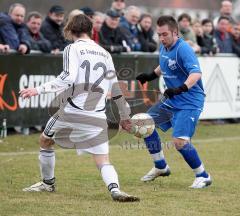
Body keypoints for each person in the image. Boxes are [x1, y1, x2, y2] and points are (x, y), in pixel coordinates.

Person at [20, 14, 139, 202]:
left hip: (71, 111)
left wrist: (38, 89)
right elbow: (116, 88)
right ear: (90, 30)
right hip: (97, 115)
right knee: (102, 159)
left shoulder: (72, 48)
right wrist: (124, 115)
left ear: (69, 30)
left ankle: (48, 183)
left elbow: (67, 77)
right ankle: (115, 189)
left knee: (45, 140)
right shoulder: (104, 53)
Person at [136, 15, 212, 189]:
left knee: (179, 142)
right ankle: (160, 166)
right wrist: (151, 75)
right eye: (159, 35)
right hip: (173, 100)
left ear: (175, 32)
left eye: (165, 35)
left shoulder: (183, 49)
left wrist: (180, 88)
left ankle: (203, 175)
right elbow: (164, 65)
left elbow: (196, 74)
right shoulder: (164, 46)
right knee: (144, 125)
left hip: (189, 101)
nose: (161, 38)